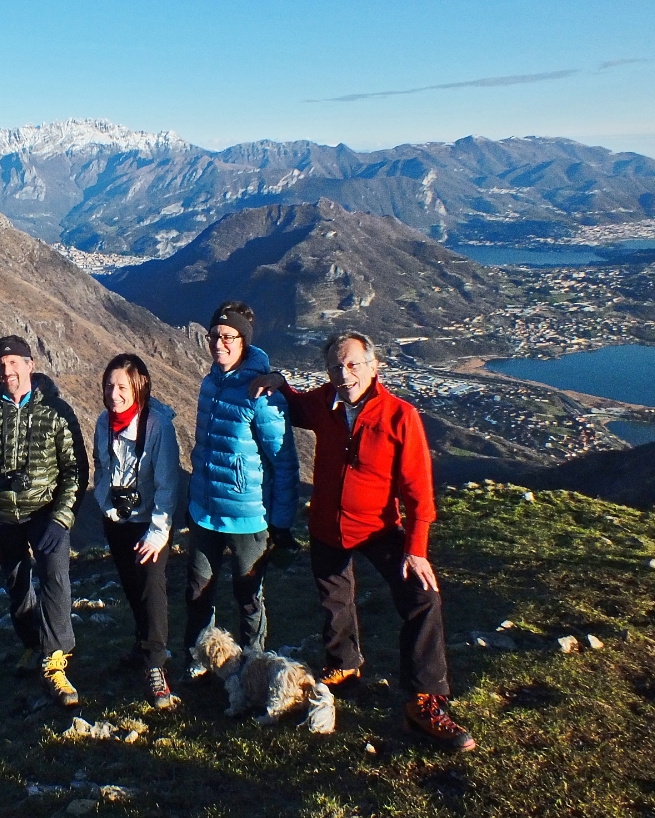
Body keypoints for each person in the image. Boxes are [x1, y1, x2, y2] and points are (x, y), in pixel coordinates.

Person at [250, 330, 476, 752]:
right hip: (327, 525)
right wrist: (280, 382)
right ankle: (344, 664)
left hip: (378, 526)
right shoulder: (324, 402)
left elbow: (418, 491)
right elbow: (296, 407)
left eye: (353, 363)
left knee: (421, 597)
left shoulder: (399, 416)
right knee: (334, 598)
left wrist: (417, 547)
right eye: (336, 365)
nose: (344, 372)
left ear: (374, 366)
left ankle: (424, 697)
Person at [0, 335, 88, 707]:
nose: (7, 369)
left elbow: (75, 469)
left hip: (45, 514)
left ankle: (56, 658)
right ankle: (32, 643)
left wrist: (61, 519)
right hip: (1, 516)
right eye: (1, 363)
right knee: (17, 583)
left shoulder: (56, 411)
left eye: (14, 362)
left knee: (55, 578)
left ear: (30, 365)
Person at [184, 301, 300, 676]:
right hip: (205, 511)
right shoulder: (209, 383)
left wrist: (281, 522)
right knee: (198, 591)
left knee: (248, 596)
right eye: (214, 336)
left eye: (228, 337)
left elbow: (283, 460)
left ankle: (253, 665)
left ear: (244, 341)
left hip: (249, 516)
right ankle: (200, 660)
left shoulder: (261, 392)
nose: (219, 343)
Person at [93, 353, 181, 709]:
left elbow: (167, 484)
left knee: (152, 589)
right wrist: (107, 503)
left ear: (139, 388)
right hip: (117, 519)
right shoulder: (103, 422)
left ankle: (156, 665)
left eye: (122, 387)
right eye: (109, 386)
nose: (114, 394)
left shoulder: (158, 427)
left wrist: (158, 533)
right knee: (131, 586)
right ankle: (141, 645)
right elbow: (102, 466)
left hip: (149, 522)